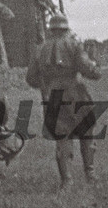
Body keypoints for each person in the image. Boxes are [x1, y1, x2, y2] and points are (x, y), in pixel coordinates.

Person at [26, 12, 102, 190]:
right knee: (87, 132)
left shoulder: (40, 49)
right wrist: (96, 66)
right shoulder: (74, 45)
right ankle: (90, 173)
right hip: (76, 93)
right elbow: (89, 70)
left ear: (50, 29)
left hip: (53, 96)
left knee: (62, 136)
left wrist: (46, 85)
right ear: (66, 28)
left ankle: (66, 180)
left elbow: (30, 78)